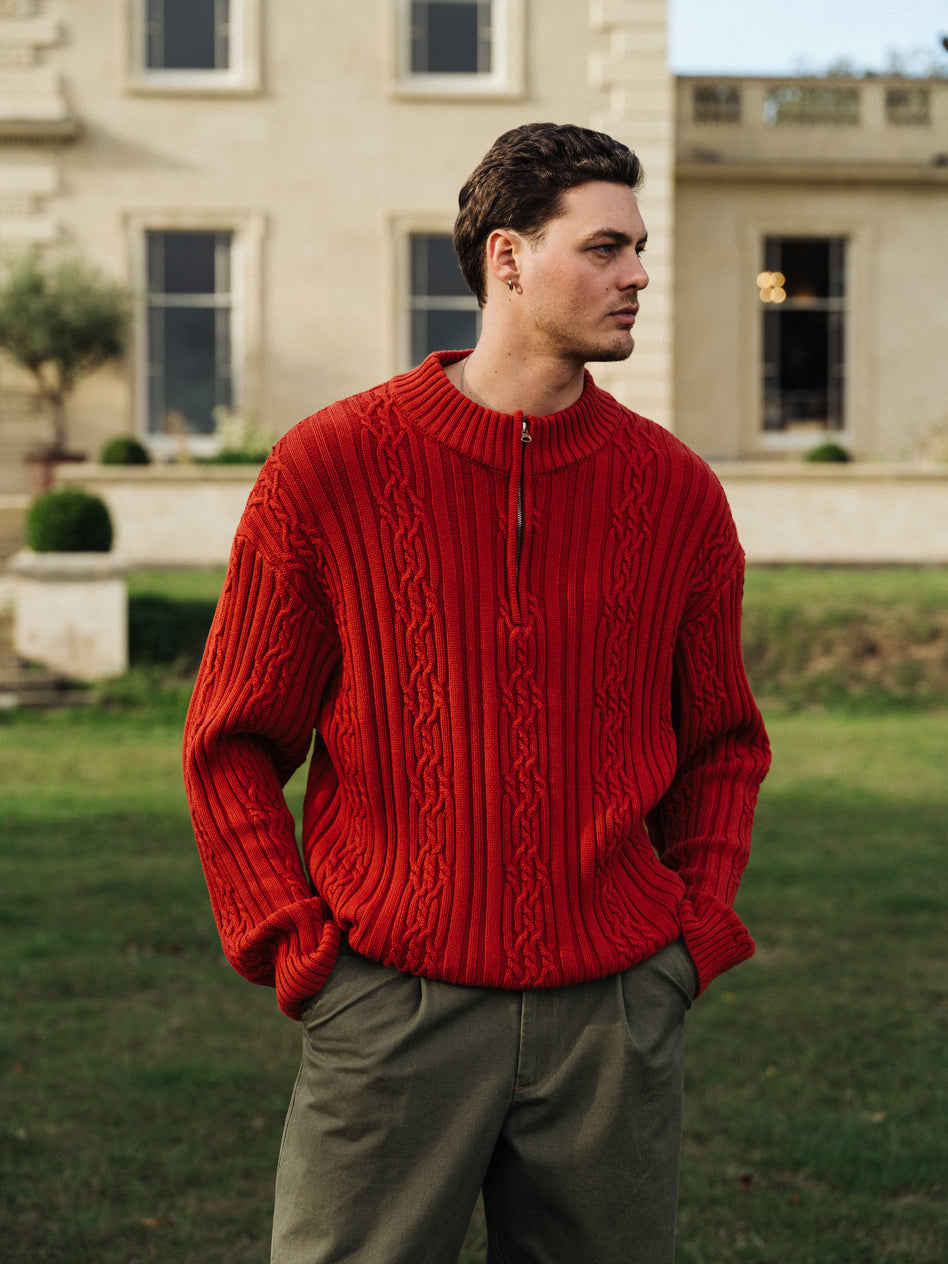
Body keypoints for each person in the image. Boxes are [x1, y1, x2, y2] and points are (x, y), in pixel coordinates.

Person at [183, 121, 771, 1264]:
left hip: (613, 1015)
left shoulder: (678, 493)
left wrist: (687, 940)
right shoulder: (329, 468)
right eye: (604, 248)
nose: (638, 275)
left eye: (639, 249)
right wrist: (298, 948)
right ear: (508, 257)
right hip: (390, 1007)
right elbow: (232, 741)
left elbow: (723, 745)